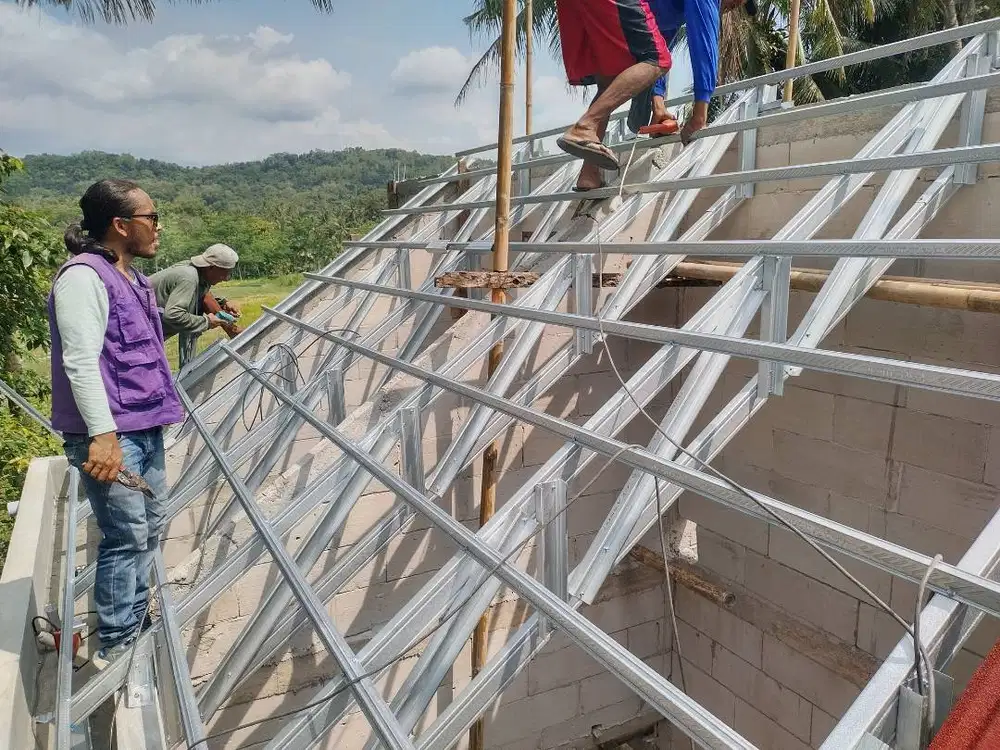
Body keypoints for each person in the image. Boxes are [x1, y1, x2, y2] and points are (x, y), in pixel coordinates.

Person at [48, 179, 183, 666]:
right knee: (126, 534)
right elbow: (81, 362)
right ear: (121, 225)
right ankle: (118, 640)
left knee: (151, 522)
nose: (158, 226)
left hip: (144, 426)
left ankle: (131, 616)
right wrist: (102, 437)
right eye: (151, 217)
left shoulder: (134, 280)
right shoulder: (83, 278)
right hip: (112, 434)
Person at [556, 0, 755, 191]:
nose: (739, 4)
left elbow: (657, 43)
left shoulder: (670, 9)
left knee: (610, 79)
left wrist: (658, 107)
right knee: (660, 61)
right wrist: (699, 116)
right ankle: (585, 127)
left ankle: (589, 174)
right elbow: (704, 43)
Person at [149, 244, 241, 367]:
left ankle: (188, 368)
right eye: (224, 273)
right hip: (134, 331)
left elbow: (201, 294)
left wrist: (222, 303)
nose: (226, 278)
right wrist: (206, 321)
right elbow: (173, 314)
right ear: (211, 267)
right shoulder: (189, 277)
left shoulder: (198, 273)